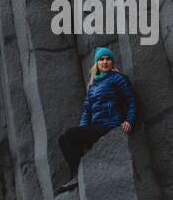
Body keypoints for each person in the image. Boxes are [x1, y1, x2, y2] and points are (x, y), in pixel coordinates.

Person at [57, 47, 137, 190]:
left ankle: (77, 176)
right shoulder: (93, 85)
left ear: (112, 62)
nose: (105, 62)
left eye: (108, 59)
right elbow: (87, 111)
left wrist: (129, 120)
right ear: (97, 63)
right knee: (63, 139)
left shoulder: (118, 78)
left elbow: (131, 101)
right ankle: (75, 174)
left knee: (71, 134)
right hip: (96, 127)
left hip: (111, 124)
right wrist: (83, 129)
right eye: (101, 59)